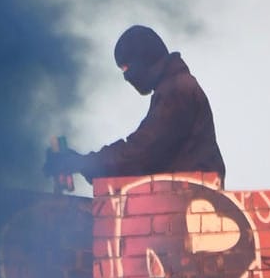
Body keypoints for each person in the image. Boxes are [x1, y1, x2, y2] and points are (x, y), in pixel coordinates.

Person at [45, 25, 226, 182]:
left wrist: (84, 163)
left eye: (126, 68)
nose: (126, 77)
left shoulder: (177, 90)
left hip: (190, 205)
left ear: (142, 61)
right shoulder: (175, 87)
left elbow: (141, 152)